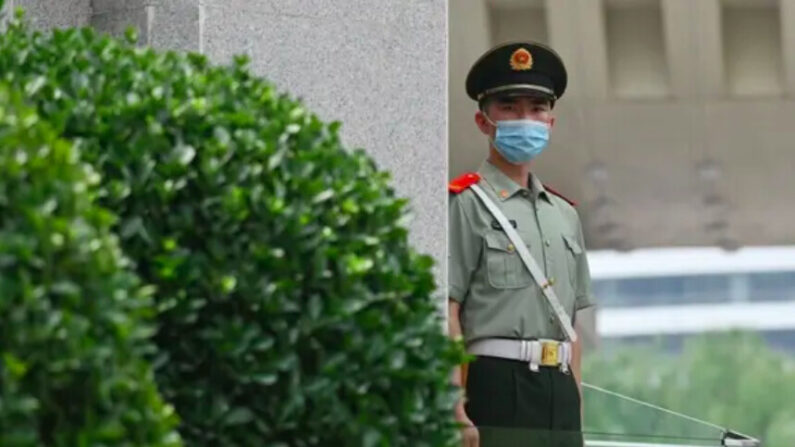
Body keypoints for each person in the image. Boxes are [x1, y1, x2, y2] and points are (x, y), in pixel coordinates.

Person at [448, 41, 596, 447]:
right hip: (496, 383)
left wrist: (576, 413)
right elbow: (448, 311)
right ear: (483, 121)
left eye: (536, 108)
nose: (524, 119)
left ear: (551, 121)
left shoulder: (563, 214)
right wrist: (454, 406)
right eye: (509, 107)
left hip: (560, 388)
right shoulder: (465, 204)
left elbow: (572, 328)